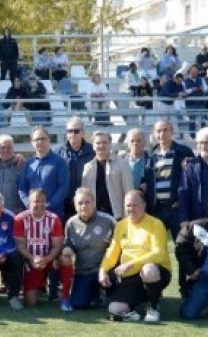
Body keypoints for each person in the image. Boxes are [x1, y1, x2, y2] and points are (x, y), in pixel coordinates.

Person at [99, 190, 172, 323]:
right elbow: (112, 252)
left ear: (143, 206)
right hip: (130, 277)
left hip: (156, 272)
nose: (130, 209)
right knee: (115, 310)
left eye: (134, 205)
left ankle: (153, 307)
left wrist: (132, 264)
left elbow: (158, 254)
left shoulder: (156, 224)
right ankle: (133, 311)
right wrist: (103, 270)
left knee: (149, 270)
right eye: (128, 206)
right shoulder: (121, 225)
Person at [60, 188, 116, 310]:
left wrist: (108, 269)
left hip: (106, 270)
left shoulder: (108, 220)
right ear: (75, 206)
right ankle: (96, 293)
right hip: (84, 272)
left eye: (87, 202)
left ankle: (108, 291)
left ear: (94, 203)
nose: (84, 206)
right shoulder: (71, 223)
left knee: (115, 303)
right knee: (78, 304)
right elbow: (68, 242)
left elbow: (121, 245)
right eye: (80, 203)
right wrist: (67, 248)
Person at [13, 189, 65, 309]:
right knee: (31, 302)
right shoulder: (20, 219)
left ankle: (65, 295)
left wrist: (46, 259)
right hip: (31, 260)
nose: (40, 204)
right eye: (36, 201)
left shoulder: (54, 219)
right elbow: (20, 245)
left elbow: (57, 246)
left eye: (43, 201)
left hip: (49, 258)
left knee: (65, 259)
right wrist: (32, 259)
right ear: (29, 203)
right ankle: (39, 285)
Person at [143, 119, 194, 237]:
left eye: (165, 130)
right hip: (157, 209)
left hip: (177, 207)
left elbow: (192, 178)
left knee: (182, 244)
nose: (162, 134)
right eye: (158, 131)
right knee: (155, 244)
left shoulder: (184, 152)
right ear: (154, 134)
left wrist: (182, 200)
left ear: (172, 132)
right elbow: (147, 178)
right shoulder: (151, 155)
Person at [81, 131, 132, 219]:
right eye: (98, 143)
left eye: (104, 143)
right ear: (93, 146)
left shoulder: (122, 164)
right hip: (95, 217)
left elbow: (129, 192)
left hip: (117, 216)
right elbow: (84, 195)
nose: (101, 146)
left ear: (110, 144)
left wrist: (126, 217)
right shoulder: (87, 168)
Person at [18, 127, 69, 217]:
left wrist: (48, 206)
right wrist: (29, 204)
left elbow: (64, 188)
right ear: (32, 142)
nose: (40, 142)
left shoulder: (60, 162)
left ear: (49, 140)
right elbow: (22, 188)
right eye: (37, 139)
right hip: (32, 215)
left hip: (54, 215)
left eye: (43, 138)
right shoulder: (28, 164)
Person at [54, 116, 94, 220]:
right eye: (69, 131)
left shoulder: (93, 151)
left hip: (85, 204)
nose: (72, 134)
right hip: (63, 203)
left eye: (76, 131)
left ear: (83, 133)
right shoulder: (56, 152)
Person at [0, 134, 23, 213]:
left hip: (16, 212)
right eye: (3, 147)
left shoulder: (21, 165)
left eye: (9, 147)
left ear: (13, 148)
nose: (6, 150)